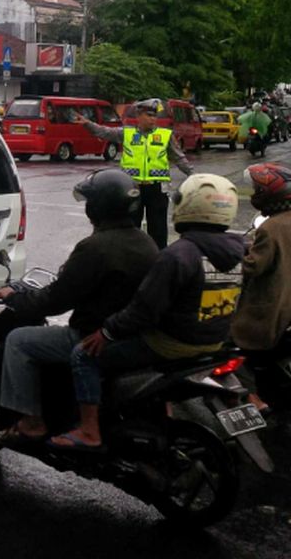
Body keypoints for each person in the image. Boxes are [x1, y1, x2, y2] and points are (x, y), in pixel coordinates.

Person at [50, 174, 245, 450]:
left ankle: (89, 431)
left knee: (84, 354)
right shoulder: (238, 254)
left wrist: (107, 331)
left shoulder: (178, 255)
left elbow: (144, 310)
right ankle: (157, 411)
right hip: (215, 341)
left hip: (173, 344)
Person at [0, 169, 160, 443]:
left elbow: (55, 300)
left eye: (90, 202)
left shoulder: (95, 247)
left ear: (98, 206)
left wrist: (15, 298)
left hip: (92, 335)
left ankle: (32, 421)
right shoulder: (146, 241)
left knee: (19, 340)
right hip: (129, 335)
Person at [72, 98, 194, 249]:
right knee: (130, 227)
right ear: (139, 116)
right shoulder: (126, 133)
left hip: (157, 189)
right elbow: (103, 132)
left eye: (154, 116)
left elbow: (179, 158)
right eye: (148, 115)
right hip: (132, 188)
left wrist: (193, 176)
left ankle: (159, 259)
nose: (152, 119)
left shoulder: (165, 135)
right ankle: (131, 256)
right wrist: (87, 124)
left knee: (158, 230)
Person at [234, 164, 291, 367]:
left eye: (257, 190)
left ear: (268, 195)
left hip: (277, 304)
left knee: (242, 338)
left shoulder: (270, 228)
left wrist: (233, 257)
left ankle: (254, 389)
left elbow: (253, 267)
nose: (254, 194)